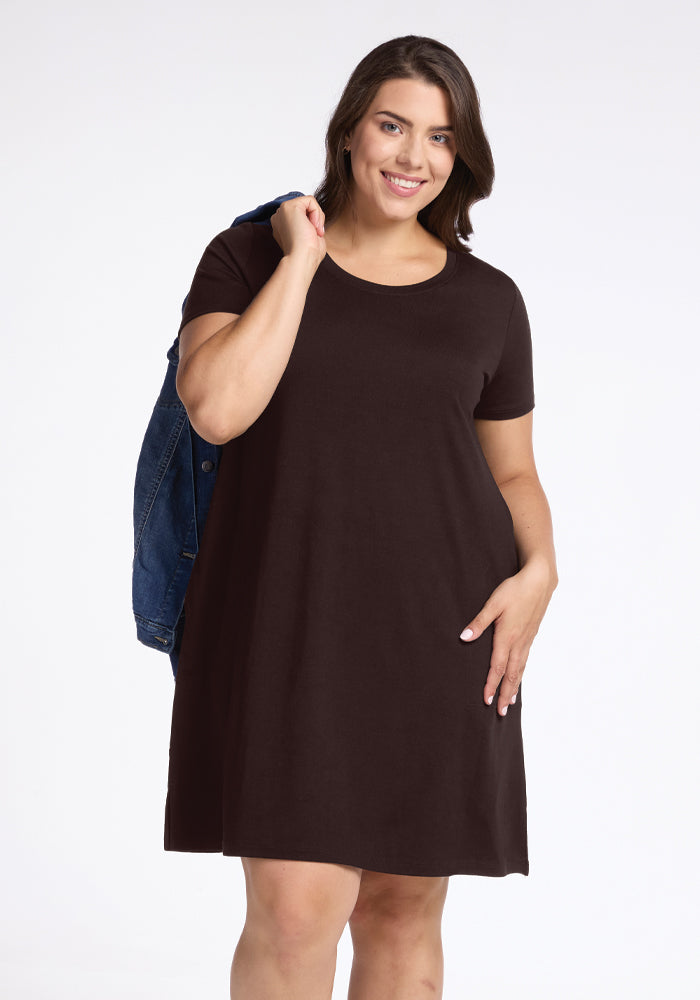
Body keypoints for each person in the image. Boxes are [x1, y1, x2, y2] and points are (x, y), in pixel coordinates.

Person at [164, 34, 558, 1000]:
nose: (413, 158)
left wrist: (541, 567)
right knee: (296, 912)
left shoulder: (489, 301)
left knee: (400, 910)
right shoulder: (249, 254)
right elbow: (216, 406)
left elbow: (511, 473)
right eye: (393, 126)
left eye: (439, 137)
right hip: (287, 623)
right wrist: (303, 262)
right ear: (349, 132)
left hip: (441, 629)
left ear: (460, 156)